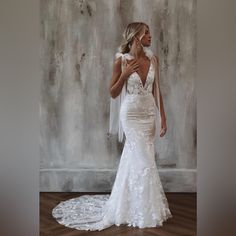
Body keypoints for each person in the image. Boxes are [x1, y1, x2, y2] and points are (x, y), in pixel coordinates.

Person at [52, 22, 173, 231]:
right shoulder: (121, 60)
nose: (150, 36)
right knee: (143, 160)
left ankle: (129, 206)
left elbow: (157, 91)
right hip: (131, 115)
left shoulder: (153, 59)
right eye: (146, 33)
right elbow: (112, 92)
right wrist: (125, 75)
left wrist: (163, 116)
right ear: (136, 37)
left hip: (148, 115)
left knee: (139, 158)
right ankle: (145, 210)